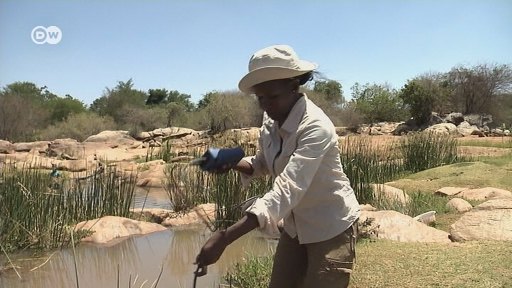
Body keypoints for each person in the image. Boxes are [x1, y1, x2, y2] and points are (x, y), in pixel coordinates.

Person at [195, 44, 361, 287]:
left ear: (293, 87)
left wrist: (225, 237)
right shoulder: (271, 121)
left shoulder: (316, 127)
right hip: (295, 227)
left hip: (330, 226)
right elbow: (265, 163)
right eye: (260, 98)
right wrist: (231, 161)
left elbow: (288, 187)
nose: (266, 105)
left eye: (272, 97)